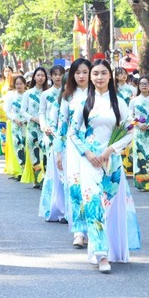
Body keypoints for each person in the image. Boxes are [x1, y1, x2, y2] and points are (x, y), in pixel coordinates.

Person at [69, 59, 140, 273]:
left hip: (112, 161)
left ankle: (113, 249)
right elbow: (73, 132)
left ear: (110, 76)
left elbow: (129, 131)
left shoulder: (119, 102)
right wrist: (88, 153)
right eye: (95, 73)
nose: (99, 77)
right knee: (93, 205)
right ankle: (100, 254)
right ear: (91, 77)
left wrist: (110, 150)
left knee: (108, 206)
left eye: (103, 73)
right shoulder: (83, 103)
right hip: (89, 161)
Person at [57, 58, 91, 246]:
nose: (81, 76)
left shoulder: (98, 94)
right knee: (76, 187)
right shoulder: (68, 97)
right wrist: (58, 152)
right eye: (77, 72)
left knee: (93, 188)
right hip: (73, 146)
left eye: (85, 72)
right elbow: (62, 125)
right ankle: (79, 230)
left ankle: (94, 228)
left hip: (95, 146)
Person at [38, 65, 65, 222]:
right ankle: (54, 206)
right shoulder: (46, 95)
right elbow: (41, 112)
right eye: (55, 75)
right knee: (53, 169)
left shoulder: (68, 93)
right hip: (50, 134)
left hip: (64, 135)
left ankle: (63, 207)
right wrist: (44, 126)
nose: (57, 77)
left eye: (60, 74)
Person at [20, 67, 48, 189]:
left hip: (46, 128)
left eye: (43, 75)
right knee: (34, 153)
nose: (40, 78)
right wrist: (33, 118)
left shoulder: (48, 93)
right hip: (32, 127)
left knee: (45, 152)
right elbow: (22, 111)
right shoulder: (28, 93)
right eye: (38, 75)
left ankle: (46, 178)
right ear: (34, 77)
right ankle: (37, 179)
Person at [130, 76, 149, 191]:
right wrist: (137, 124)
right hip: (139, 132)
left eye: (146, 83)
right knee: (140, 156)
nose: (144, 86)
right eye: (141, 84)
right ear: (138, 86)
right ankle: (141, 182)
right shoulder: (134, 101)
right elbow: (129, 116)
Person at [4, 75, 28, 180]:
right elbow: (7, 111)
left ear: (25, 84)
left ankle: (28, 171)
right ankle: (20, 171)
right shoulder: (11, 96)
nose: (19, 86)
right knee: (18, 146)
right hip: (15, 125)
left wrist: (26, 119)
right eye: (17, 84)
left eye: (21, 84)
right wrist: (14, 119)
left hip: (27, 125)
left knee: (27, 147)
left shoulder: (28, 95)